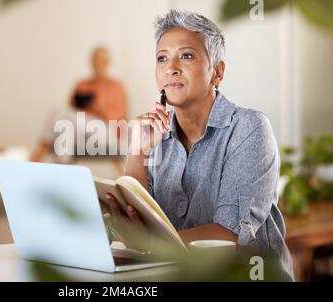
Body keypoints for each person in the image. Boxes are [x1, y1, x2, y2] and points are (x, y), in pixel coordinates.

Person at [105, 9, 294, 280]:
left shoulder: (249, 128)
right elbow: (132, 223)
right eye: (162, 58)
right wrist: (138, 152)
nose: (171, 67)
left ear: (217, 72)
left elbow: (227, 236)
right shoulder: (155, 136)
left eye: (186, 55)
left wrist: (150, 246)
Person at [31, 47, 127, 162]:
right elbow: (70, 110)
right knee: (63, 124)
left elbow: (120, 118)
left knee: (59, 116)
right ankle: (62, 165)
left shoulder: (116, 86)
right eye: (95, 61)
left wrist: (99, 108)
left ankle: (39, 154)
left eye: (101, 61)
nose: (97, 65)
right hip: (79, 129)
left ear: (108, 63)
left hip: (105, 130)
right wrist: (81, 104)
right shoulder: (82, 84)